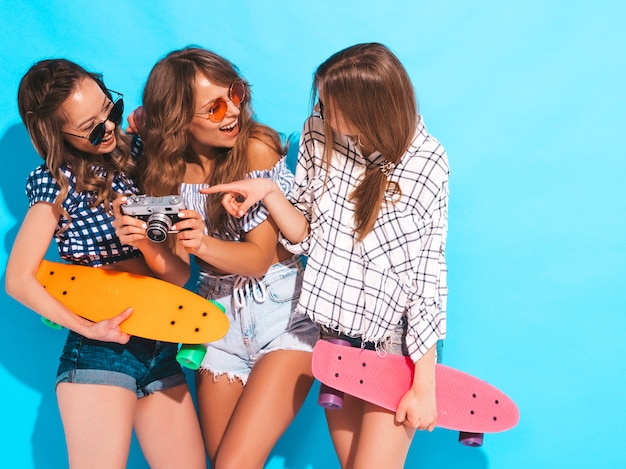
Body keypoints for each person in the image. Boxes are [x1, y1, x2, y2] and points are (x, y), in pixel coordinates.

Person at [204, 42, 449, 469]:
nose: (318, 110)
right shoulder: (319, 131)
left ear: (366, 109)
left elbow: (426, 281)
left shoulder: (427, 164)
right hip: (336, 336)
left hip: (395, 345)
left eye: (328, 104)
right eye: (318, 100)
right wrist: (270, 193)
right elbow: (306, 234)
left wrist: (424, 386)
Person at [117, 47, 319, 469]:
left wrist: (202, 243)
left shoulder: (256, 148)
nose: (232, 113)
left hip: (282, 315)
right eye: (213, 108)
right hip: (214, 323)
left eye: (236, 94)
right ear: (178, 120)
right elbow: (175, 275)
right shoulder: (162, 171)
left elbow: (260, 259)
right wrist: (148, 242)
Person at [5, 59, 206, 469]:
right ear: (54, 134)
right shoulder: (56, 181)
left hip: (162, 346)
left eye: (109, 110)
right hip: (99, 351)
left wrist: (146, 242)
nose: (109, 127)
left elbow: (179, 275)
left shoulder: (139, 156)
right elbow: (18, 280)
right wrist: (86, 328)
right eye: (93, 128)